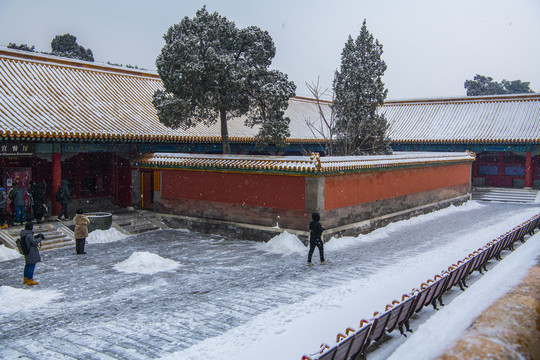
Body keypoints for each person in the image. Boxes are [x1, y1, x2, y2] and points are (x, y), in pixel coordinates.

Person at [21, 221, 45, 285]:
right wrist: (40, 238)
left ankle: (25, 278)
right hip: (31, 252)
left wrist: (36, 236)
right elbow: (34, 242)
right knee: (32, 265)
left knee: (27, 265)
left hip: (26, 251)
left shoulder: (24, 234)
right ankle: (30, 279)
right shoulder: (29, 235)